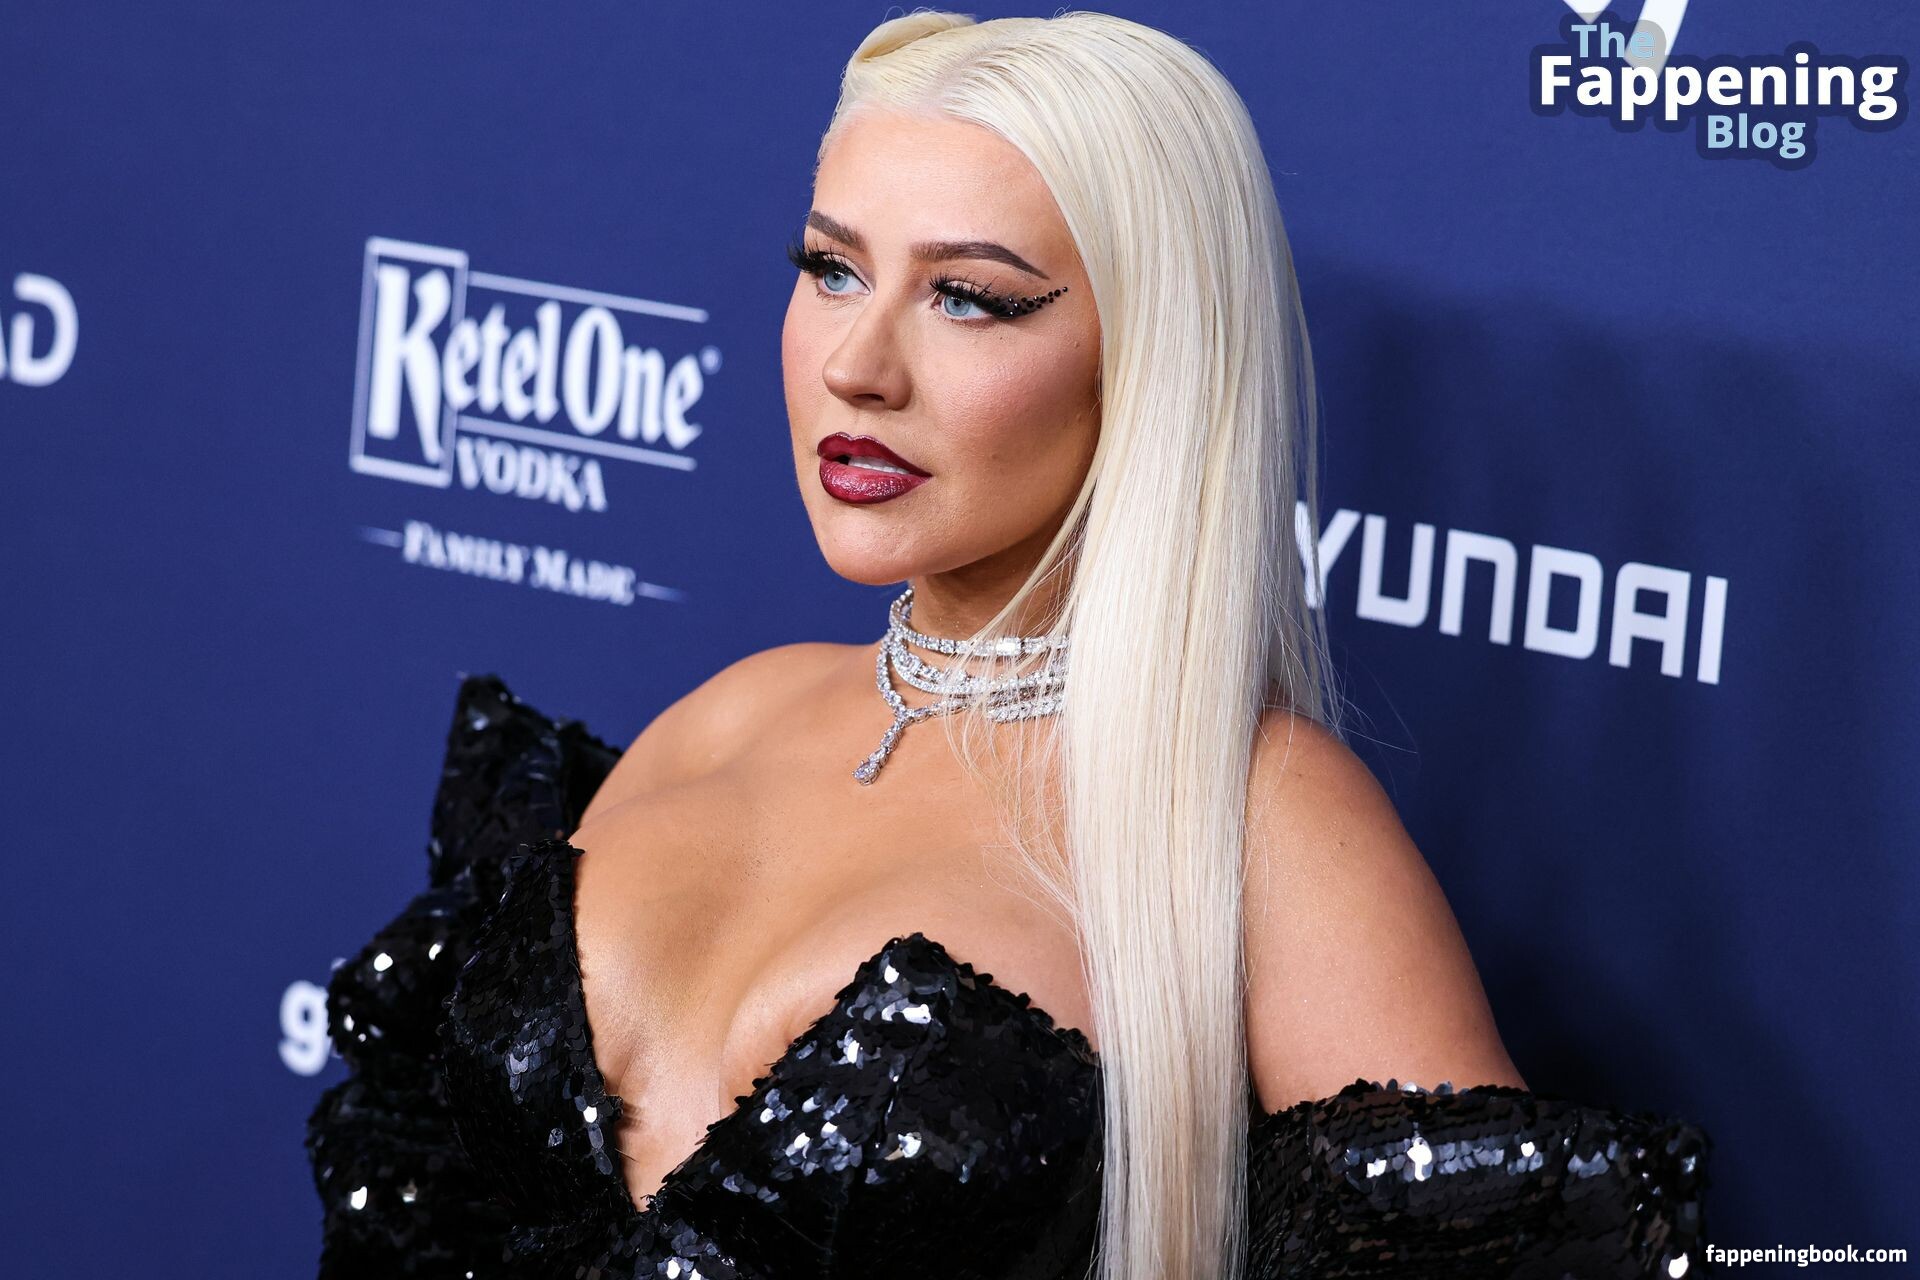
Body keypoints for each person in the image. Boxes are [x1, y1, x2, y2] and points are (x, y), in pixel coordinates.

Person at [305, 11, 1710, 1278]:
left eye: (967, 296)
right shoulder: (724, 717)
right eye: (832, 268)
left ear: (1148, 359)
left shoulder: (1262, 827)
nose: (857, 365)